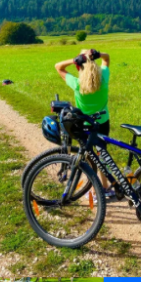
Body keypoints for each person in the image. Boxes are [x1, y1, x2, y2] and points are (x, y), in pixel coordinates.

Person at [54, 49, 113, 197]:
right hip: (103, 122)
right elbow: (107, 59)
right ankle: (105, 187)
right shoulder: (103, 79)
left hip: (85, 124)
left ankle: (93, 190)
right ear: (94, 63)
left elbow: (58, 67)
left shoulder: (77, 84)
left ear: (79, 66)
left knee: (89, 156)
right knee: (102, 153)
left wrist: (74, 60)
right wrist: (98, 55)